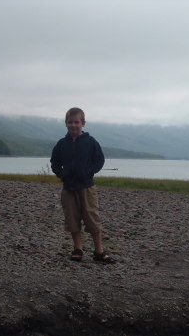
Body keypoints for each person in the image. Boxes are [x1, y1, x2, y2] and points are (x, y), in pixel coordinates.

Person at [50, 107, 115, 263]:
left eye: (76, 122)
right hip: (68, 188)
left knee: (92, 218)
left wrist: (89, 172)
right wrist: (61, 174)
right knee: (72, 219)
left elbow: (99, 160)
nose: (73, 125)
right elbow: (54, 162)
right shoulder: (61, 144)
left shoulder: (91, 142)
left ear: (83, 123)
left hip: (87, 187)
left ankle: (99, 251)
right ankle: (78, 249)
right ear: (66, 123)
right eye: (70, 122)